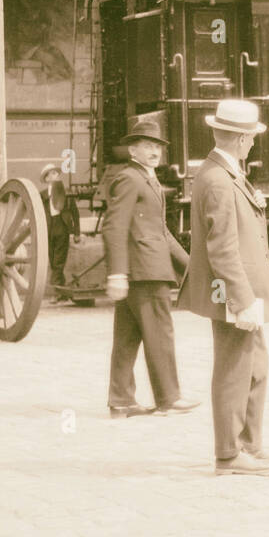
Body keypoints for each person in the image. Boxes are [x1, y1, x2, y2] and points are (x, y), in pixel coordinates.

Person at [177, 99, 269, 476]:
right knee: (234, 369)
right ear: (239, 140)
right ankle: (228, 453)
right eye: (251, 138)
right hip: (237, 292)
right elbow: (222, 249)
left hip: (244, 291)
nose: (253, 143)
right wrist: (242, 299)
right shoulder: (218, 179)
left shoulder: (225, 172)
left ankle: (248, 443)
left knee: (255, 366)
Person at [102, 119, 199, 418]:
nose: (155, 151)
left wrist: (190, 266)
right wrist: (117, 273)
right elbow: (113, 226)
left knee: (128, 337)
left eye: (157, 146)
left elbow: (162, 231)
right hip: (146, 270)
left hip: (145, 267)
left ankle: (121, 401)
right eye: (147, 145)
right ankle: (169, 398)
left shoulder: (147, 178)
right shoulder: (130, 178)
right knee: (160, 332)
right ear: (133, 149)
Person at [39, 163, 79, 295]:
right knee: (52, 261)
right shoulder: (42, 195)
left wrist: (77, 233)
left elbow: (75, 213)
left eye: (57, 173)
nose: (56, 175)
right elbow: (37, 213)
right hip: (48, 229)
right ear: (47, 178)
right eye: (52, 173)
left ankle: (56, 293)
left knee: (58, 262)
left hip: (62, 227)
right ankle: (62, 292)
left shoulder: (66, 192)